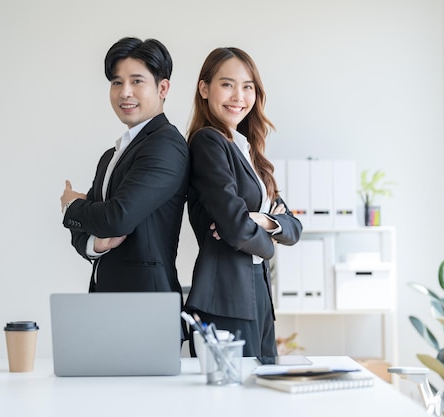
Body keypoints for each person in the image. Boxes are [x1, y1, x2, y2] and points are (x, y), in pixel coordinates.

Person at [184, 47, 303, 357]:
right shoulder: (208, 142)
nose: (239, 95)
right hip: (224, 295)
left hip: (257, 291)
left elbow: (293, 227)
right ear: (204, 88)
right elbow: (236, 228)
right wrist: (269, 243)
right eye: (227, 84)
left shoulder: (248, 150)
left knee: (262, 397)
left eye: (247, 86)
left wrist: (263, 220)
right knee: (233, 403)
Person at [60, 37, 189, 301]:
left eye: (136, 81)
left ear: (163, 88)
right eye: (117, 82)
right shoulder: (111, 156)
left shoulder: (166, 144)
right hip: (108, 302)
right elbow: (91, 226)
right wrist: (93, 243)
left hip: (148, 305)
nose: (124, 92)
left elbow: (117, 217)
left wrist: (72, 206)